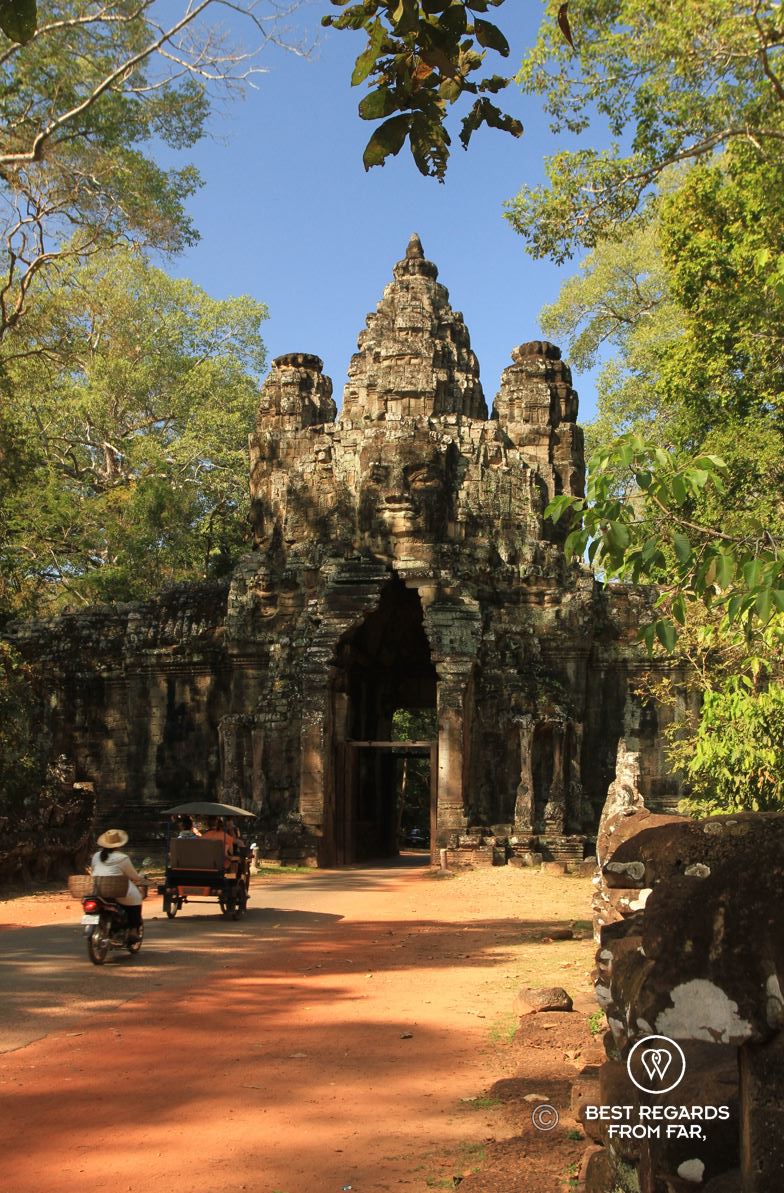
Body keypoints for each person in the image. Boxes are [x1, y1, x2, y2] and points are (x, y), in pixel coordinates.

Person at [90, 828, 145, 939]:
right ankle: (134, 929)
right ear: (119, 845)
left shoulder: (96, 856)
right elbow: (133, 876)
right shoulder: (122, 858)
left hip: (97, 889)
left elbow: (93, 870)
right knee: (136, 898)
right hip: (117, 890)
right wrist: (140, 877)